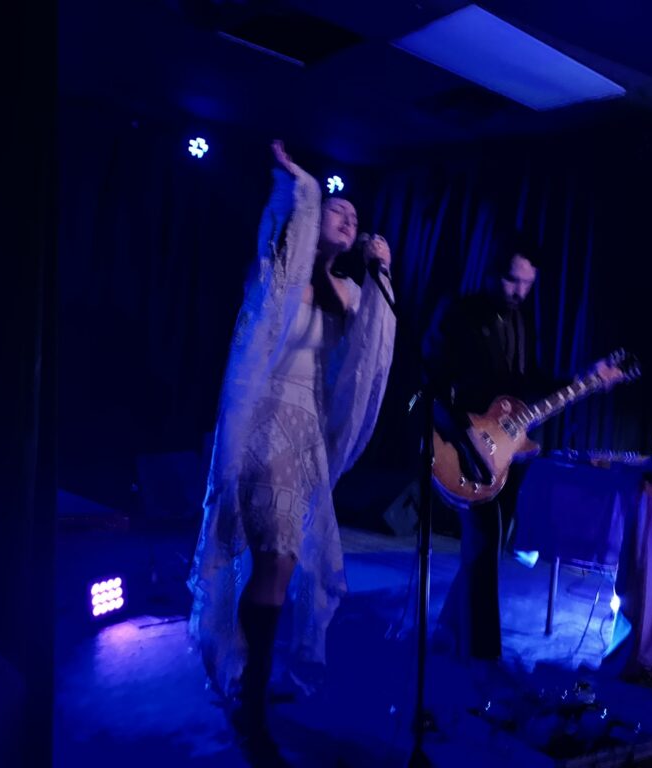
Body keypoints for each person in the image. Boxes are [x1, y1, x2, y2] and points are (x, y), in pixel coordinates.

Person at [187, 140, 396, 757]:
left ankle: (252, 677)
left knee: (280, 564)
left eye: (356, 217)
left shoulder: (347, 294)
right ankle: (253, 700)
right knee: (276, 558)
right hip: (264, 424)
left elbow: (372, 353)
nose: (348, 219)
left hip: (306, 437)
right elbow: (291, 235)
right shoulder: (277, 274)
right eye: (338, 210)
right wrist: (303, 187)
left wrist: (380, 269)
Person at [422, 235, 617, 669]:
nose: (518, 292)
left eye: (527, 284)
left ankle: (451, 632)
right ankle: (485, 659)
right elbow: (431, 374)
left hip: (502, 450)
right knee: (485, 542)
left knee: (484, 548)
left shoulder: (521, 322)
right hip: (460, 441)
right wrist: (466, 428)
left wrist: (584, 377)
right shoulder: (460, 312)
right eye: (512, 281)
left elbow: (526, 381)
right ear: (494, 273)